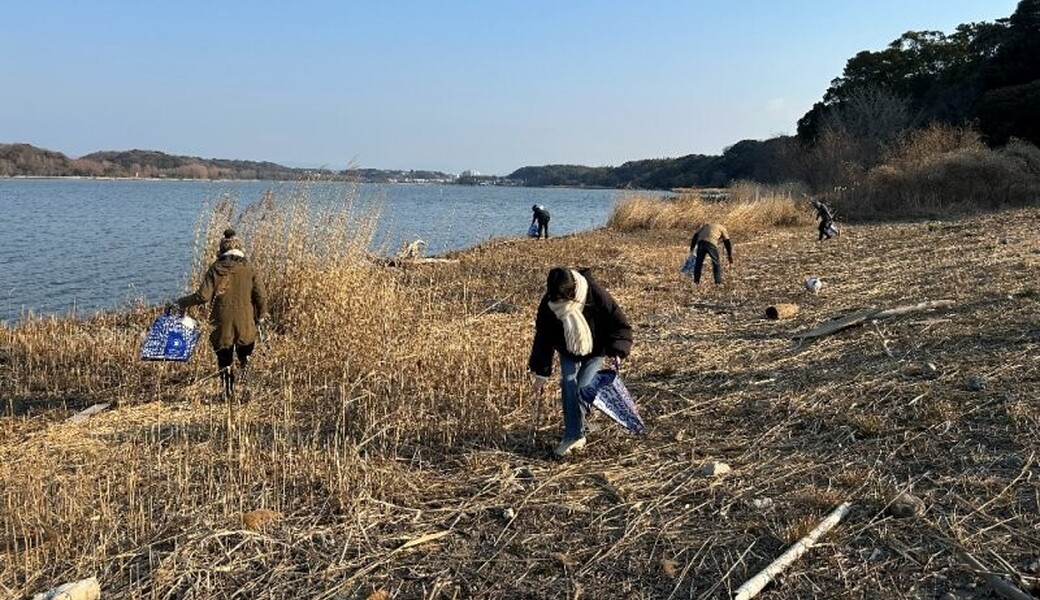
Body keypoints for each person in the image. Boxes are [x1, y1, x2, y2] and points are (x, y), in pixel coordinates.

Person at [529, 267, 633, 457]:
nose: (560, 303)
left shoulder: (595, 293)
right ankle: (573, 435)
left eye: (564, 299)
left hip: (596, 348)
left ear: (572, 291)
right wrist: (541, 374)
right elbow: (543, 337)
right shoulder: (549, 303)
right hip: (567, 348)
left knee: (582, 387)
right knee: (568, 383)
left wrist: (617, 350)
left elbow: (619, 323)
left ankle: (581, 419)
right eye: (556, 299)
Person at [177, 228, 268, 400]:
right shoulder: (250, 268)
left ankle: (227, 393)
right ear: (240, 249)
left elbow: (202, 296)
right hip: (245, 321)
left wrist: (181, 302)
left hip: (221, 322)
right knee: (245, 355)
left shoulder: (215, 268)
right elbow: (261, 295)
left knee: (225, 360)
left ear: (221, 250)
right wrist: (261, 315)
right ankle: (245, 390)